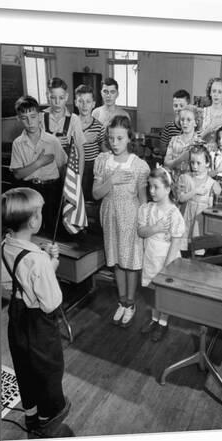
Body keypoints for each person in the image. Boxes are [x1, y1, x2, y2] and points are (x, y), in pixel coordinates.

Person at [1, 188, 70, 434]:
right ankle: (48, 421)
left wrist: (45, 263)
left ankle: (31, 416)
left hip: (17, 321)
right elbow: (51, 302)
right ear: (33, 220)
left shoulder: (4, 245)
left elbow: (11, 282)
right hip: (39, 326)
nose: (41, 215)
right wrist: (52, 266)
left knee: (25, 368)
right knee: (47, 371)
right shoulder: (38, 259)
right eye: (40, 212)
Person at [92, 115, 150, 328]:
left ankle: (131, 303)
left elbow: (143, 199)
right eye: (111, 138)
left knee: (130, 261)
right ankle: (122, 301)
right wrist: (111, 180)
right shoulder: (102, 161)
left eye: (120, 138)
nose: (115, 143)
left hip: (130, 216)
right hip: (109, 215)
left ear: (129, 138)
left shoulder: (139, 165)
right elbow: (96, 194)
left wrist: (144, 223)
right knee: (116, 259)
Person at [138, 167, 185, 341]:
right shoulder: (147, 209)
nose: (151, 191)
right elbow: (141, 232)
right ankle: (154, 318)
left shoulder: (174, 214)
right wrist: (155, 228)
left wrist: (167, 267)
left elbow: (175, 242)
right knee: (152, 291)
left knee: (164, 292)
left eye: (155, 187)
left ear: (167, 189)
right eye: (149, 186)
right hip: (151, 256)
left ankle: (163, 323)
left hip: (166, 259)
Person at [10, 95, 67, 237]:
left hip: (52, 190)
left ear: (40, 116)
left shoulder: (52, 140)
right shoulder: (18, 143)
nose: (30, 122)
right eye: (24, 118)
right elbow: (18, 174)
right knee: (33, 228)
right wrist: (39, 163)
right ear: (18, 119)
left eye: (33, 116)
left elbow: (61, 165)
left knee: (53, 229)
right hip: (30, 190)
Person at [177, 144, 221, 251]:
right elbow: (181, 198)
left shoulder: (211, 182)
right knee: (184, 250)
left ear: (207, 163)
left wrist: (216, 189)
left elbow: (212, 205)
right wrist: (195, 191)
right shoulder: (185, 178)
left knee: (199, 250)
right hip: (187, 218)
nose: (195, 166)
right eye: (192, 162)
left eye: (198, 163)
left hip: (201, 221)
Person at [41, 77, 85, 176]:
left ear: (66, 97)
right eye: (53, 97)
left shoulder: (74, 119)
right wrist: (54, 141)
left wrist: (79, 180)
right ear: (47, 96)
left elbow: (81, 154)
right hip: (45, 173)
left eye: (61, 98)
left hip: (66, 174)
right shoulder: (40, 118)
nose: (57, 102)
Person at [74, 84, 105, 201]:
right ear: (76, 102)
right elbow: (66, 148)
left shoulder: (99, 126)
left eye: (88, 101)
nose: (84, 105)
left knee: (91, 199)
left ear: (93, 104)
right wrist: (83, 138)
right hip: (75, 167)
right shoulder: (71, 124)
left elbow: (104, 150)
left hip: (93, 167)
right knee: (76, 199)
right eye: (81, 101)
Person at [164, 104, 199, 184]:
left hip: (192, 186)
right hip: (174, 184)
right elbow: (166, 163)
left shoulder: (200, 144)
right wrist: (180, 158)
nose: (184, 123)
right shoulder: (174, 140)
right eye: (182, 119)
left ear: (196, 122)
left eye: (189, 120)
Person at [199, 78, 222, 152]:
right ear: (210, 93)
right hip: (201, 154)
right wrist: (210, 128)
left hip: (220, 156)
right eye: (214, 91)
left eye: (220, 92)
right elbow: (195, 139)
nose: (216, 95)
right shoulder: (202, 113)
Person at [157, 89, 191, 164]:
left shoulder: (192, 127)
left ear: (188, 106)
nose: (178, 108)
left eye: (181, 106)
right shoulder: (168, 127)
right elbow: (162, 149)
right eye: (175, 106)